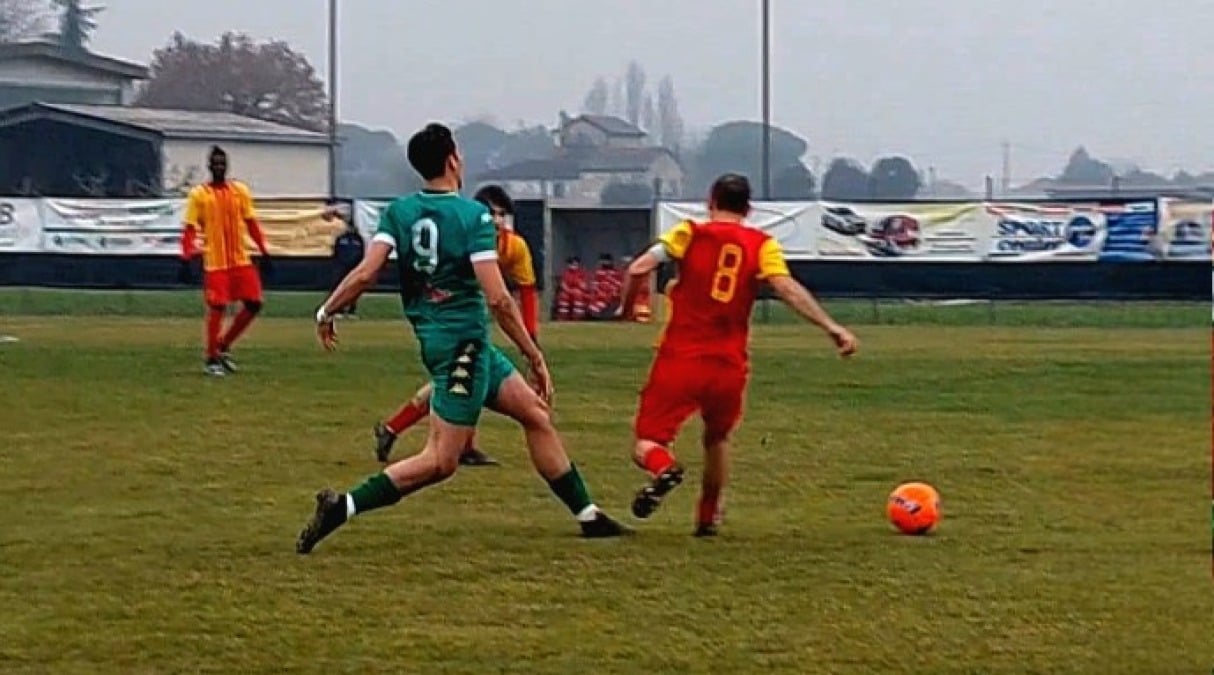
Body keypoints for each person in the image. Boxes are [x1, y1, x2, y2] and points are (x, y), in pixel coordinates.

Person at [296, 123, 625, 554]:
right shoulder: (474, 217)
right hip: (464, 348)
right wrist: (533, 353)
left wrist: (327, 310)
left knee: (535, 415)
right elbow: (499, 300)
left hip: (452, 343)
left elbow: (365, 273)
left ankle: (589, 516)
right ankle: (343, 506)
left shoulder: (399, 212)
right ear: (452, 160)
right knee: (440, 461)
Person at [616, 173, 858, 537]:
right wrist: (831, 327)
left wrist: (628, 305)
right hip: (729, 363)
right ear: (748, 208)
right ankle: (708, 516)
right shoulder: (762, 244)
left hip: (681, 357)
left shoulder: (690, 233)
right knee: (717, 439)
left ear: (710, 200)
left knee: (648, 442)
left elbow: (638, 268)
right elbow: (786, 288)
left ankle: (664, 468)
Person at [372, 184, 541, 467]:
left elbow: (527, 290)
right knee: (459, 379)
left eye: (502, 214)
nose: (497, 220)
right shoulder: (463, 236)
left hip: (476, 320)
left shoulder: (515, 247)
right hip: (453, 321)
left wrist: (531, 336)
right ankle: (452, 444)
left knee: (460, 379)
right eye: (492, 213)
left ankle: (394, 429)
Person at [178, 146, 272, 377]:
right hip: (216, 261)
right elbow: (190, 229)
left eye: (222, 163)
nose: (219, 167)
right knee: (217, 307)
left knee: (254, 303)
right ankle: (211, 358)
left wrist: (263, 250)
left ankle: (223, 345)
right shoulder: (199, 195)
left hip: (240, 259)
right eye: (215, 163)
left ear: (226, 166)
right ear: (209, 166)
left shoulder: (239, 190)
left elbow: (250, 222)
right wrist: (186, 256)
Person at [327, 203, 365, 318]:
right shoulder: (341, 238)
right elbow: (336, 251)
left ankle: (351, 310)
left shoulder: (358, 239)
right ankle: (337, 310)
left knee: (353, 289)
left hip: (353, 267)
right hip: (341, 267)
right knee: (338, 288)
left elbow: (361, 252)